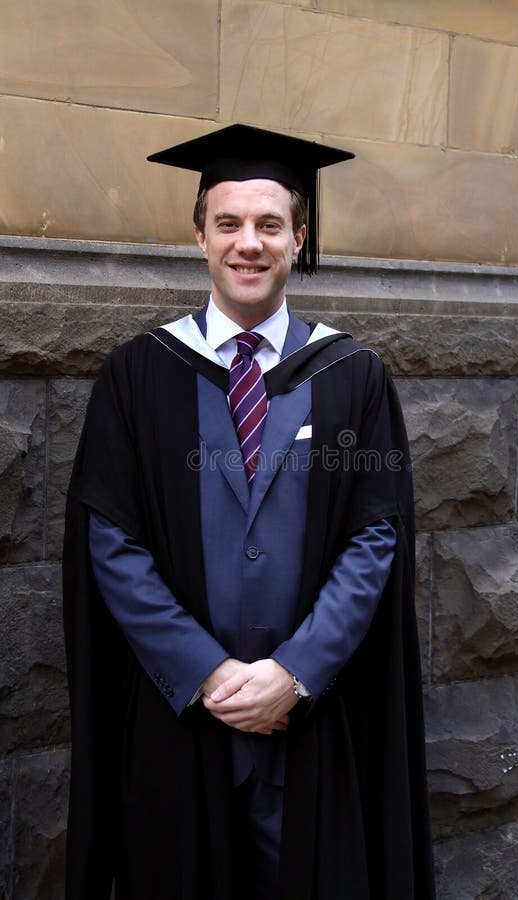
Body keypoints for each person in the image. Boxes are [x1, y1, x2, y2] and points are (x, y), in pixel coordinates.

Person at [63, 124, 435, 900]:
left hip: (313, 720)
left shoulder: (351, 375)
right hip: (182, 719)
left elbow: (376, 537)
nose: (248, 244)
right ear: (198, 234)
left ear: (300, 237)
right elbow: (112, 541)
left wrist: (296, 673)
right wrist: (207, 673)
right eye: (228, 223)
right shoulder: (139, 376)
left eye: (270, 224)